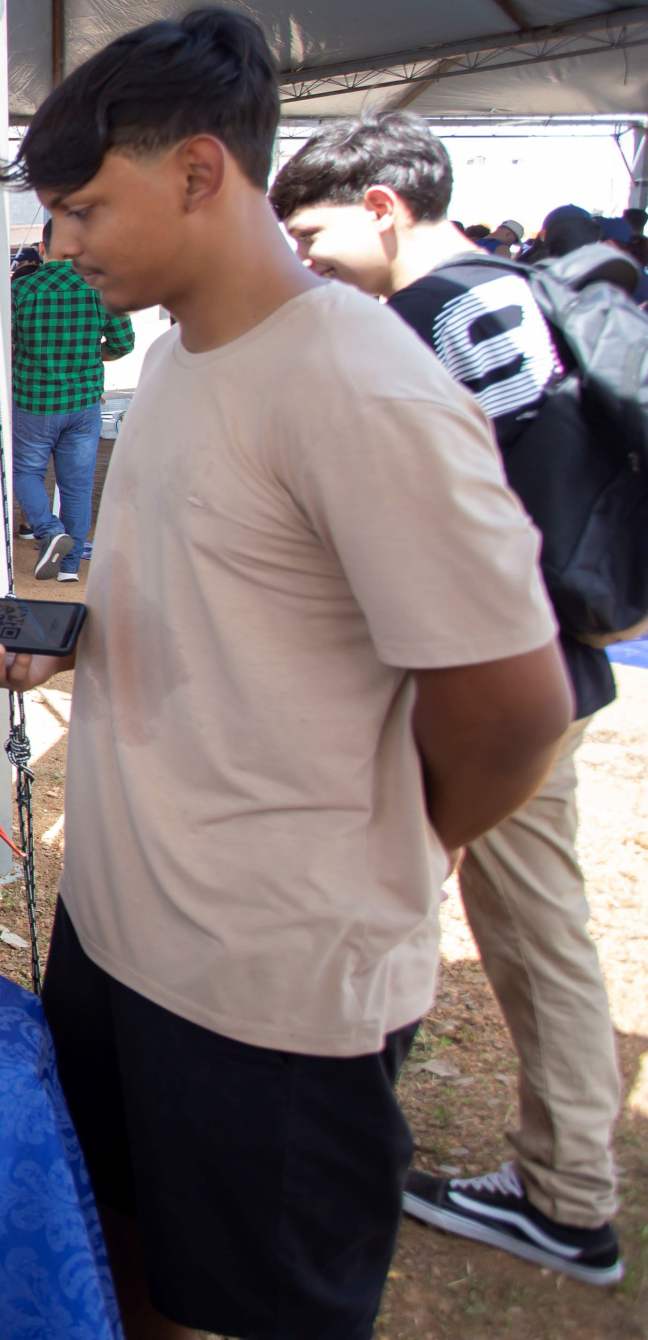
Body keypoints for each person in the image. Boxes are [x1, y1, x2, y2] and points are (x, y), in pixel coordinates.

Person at [0, 8, 574, 1340]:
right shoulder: (175, 359)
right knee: (128, 1268)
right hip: (119, 936)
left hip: (272, 986)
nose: (65, 243)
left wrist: (387, 848)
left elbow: (514, 704)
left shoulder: (357, 380)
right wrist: (55, 644)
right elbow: (219, 615)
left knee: (269, 1307)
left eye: (87, 205)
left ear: (199, 171)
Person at [272, 112, 625, 1287]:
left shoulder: (442, 319)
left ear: (382, 207)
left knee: (528, 930)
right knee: (521, 920)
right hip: (532, 658)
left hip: (492, 682)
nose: (305, 255)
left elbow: (459, 523)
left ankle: (567, 1195)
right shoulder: (504, 293)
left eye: (313, 230)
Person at [11, 213, 134, 583]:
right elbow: (123, 344)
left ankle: (49, 532)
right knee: (76, 485)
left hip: (33, 402)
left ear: (44, 247)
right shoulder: (100, 288)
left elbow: (2, 344)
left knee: (25, 473)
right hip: (83, 404)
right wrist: (93, 355)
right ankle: (69, 566)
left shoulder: (21, 290)